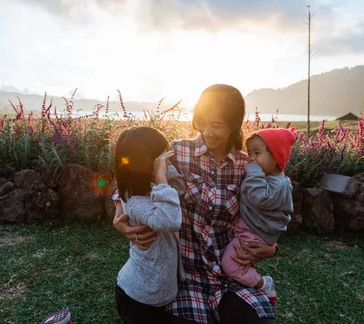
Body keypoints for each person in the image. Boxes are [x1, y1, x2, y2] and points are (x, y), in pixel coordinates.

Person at [113, 84, 278, 324]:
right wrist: (119, 217)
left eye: (217, 125)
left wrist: (272, 248)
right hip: (182, 278)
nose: (207, 132)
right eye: (202, 122)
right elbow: (130, 177)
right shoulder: (177, 152)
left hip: (230, 274)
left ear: (234, 125)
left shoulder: (248, 167)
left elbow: (275, 205)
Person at [114, 127, 185, 324]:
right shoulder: (137, 201)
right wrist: (161, 177)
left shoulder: (148, 188)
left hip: (155, 293)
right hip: (138, 299)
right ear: (148, 164)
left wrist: (162, 170)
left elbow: (179, 187)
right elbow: (171, 221)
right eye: (163, 159)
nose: (168, 164)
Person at [220, 128, 297, 305]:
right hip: (251, 229)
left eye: (257, 153)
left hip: (254, 234)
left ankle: (264, 284)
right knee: (238, 262)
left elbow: (258, 198)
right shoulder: (269, 178)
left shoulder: (278, 184)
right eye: (249, 153)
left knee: (231, 264)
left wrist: (254, 172)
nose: (251, 159)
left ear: (276, 157)